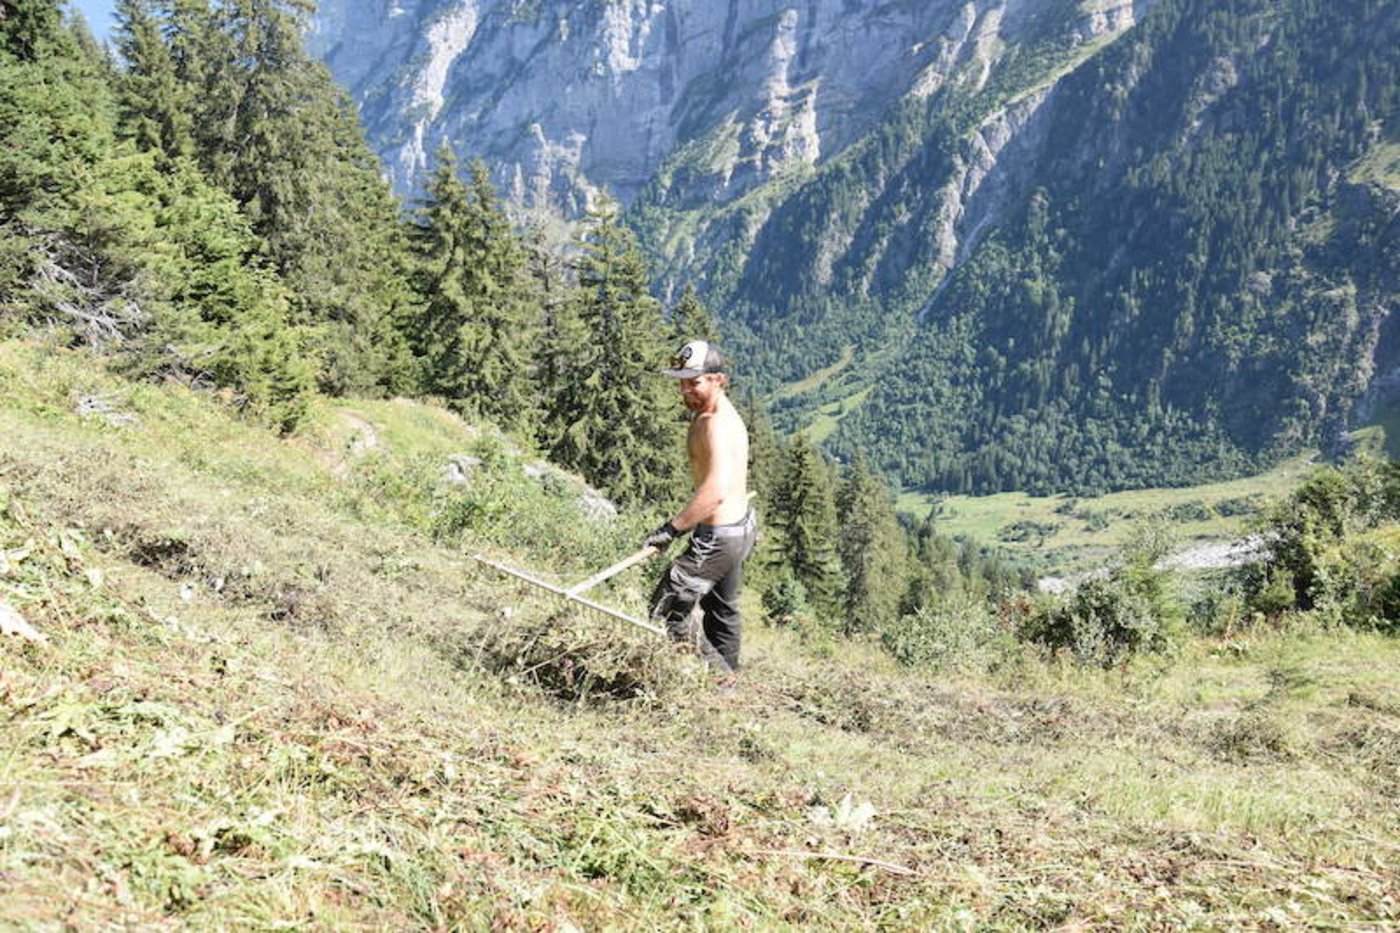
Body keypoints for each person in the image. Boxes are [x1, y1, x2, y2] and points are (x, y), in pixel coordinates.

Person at [644, 338, 757, 674]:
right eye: (682, 382)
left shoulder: (715, 424)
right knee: (722, 610)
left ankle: (721, 684)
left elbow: (714, 492)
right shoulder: (712, 414)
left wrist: (671, 529)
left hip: (719, 536)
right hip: (739, 527)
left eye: (694, 382)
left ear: (718, 380)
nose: (685, 391)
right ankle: (730, 683)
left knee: (667, 608)